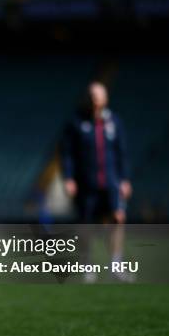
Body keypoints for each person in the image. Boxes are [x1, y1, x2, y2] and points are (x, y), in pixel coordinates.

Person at [60, 81, 133, 282]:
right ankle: (87, 265)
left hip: (111, 183)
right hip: (86, 184)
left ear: (106, 98)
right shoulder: (75, 123)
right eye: (92, 95)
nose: (95, 100)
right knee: (86, 225)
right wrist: (68, 178)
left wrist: (125, 179)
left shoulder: (114, 122)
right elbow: (67, 154)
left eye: (99, 95)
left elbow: (122, 153)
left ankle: (116, 265)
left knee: (118, 218)